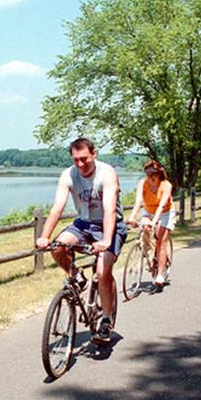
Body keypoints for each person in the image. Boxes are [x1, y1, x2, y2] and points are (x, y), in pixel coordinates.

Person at [35, 137, 127, 344]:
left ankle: (105, 319)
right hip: (84, 224)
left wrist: (105, 240)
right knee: (58, 247)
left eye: (84, 159)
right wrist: (44, 236)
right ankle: (76, 275)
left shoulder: (107, 173)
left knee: (103, 272)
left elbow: (109, 209)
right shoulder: (68, 175)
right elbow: (57, 207)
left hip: (109, 224)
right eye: (75, 159)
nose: (80, 164)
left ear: (94, 154)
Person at [127, 159, 175, 290]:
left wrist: (155, 222)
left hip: (165, 212)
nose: (150, 176)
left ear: (159, 173)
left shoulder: (166, 185)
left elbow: (161, 206)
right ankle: (148, 255)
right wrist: (131, 218)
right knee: (145, 229)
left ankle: (160, 275)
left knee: (161, 241)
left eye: (153, 173)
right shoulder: (143, 184)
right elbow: (138, 202)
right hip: (148, 211)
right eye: (147, 173)